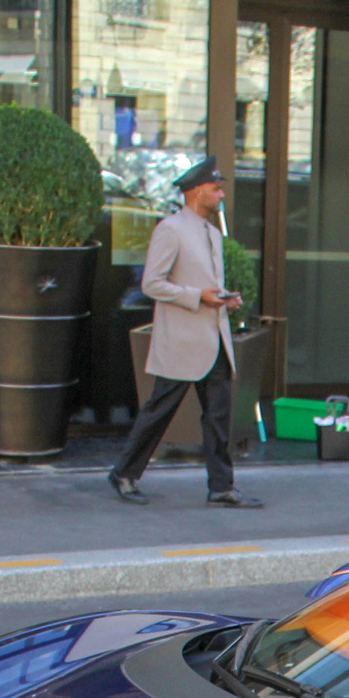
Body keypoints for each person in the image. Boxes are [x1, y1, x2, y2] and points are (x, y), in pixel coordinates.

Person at [107, 158, 261, 509]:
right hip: (182, 341)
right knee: (159, 411)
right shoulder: (170, 229)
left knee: (219, 417)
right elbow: (152, 284)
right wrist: (197, 297)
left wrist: (223, 299)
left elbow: (205, 283)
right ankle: (124, 473)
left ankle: (221, 486)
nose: (222, 194)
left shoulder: (211, 232)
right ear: (196, 192)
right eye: (216, 188)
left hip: (214, 337)